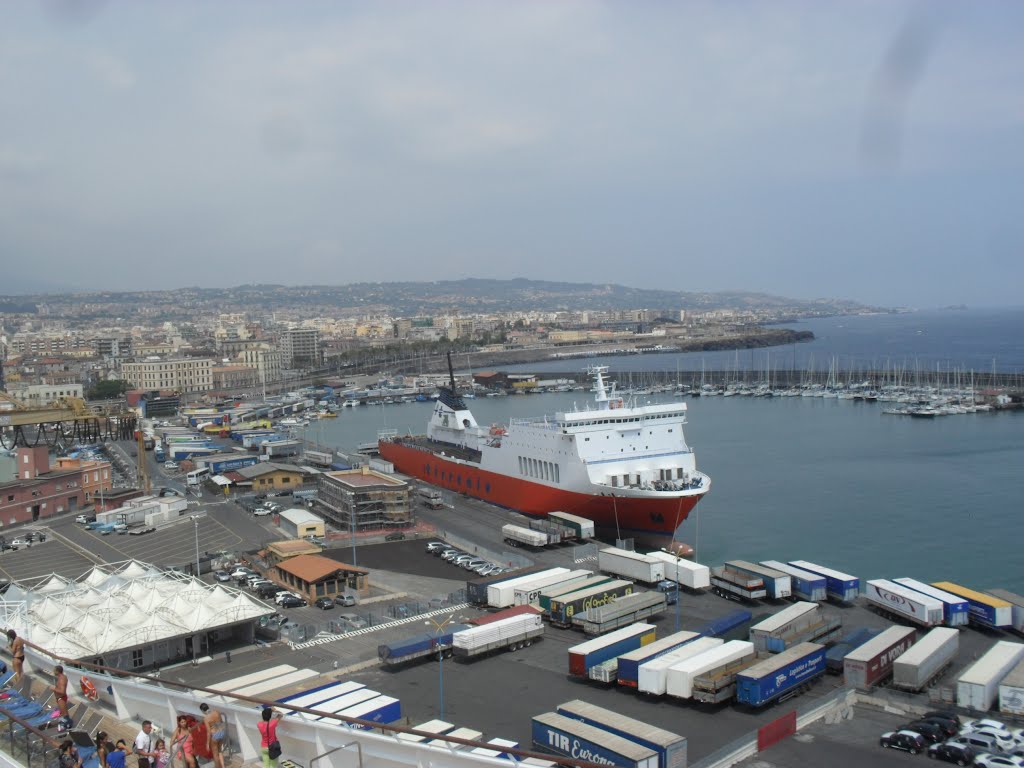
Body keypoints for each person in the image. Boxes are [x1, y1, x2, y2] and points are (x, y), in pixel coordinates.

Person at [200, 702, 227, 768]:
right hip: (222, 732)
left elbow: (209, 732)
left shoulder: (206, 719)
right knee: (220, 751)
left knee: (215, 754)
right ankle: (223, 766)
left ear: (202, 710)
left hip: (214, 735)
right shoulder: (216, 712)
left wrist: (207, 744)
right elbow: (221, 722)